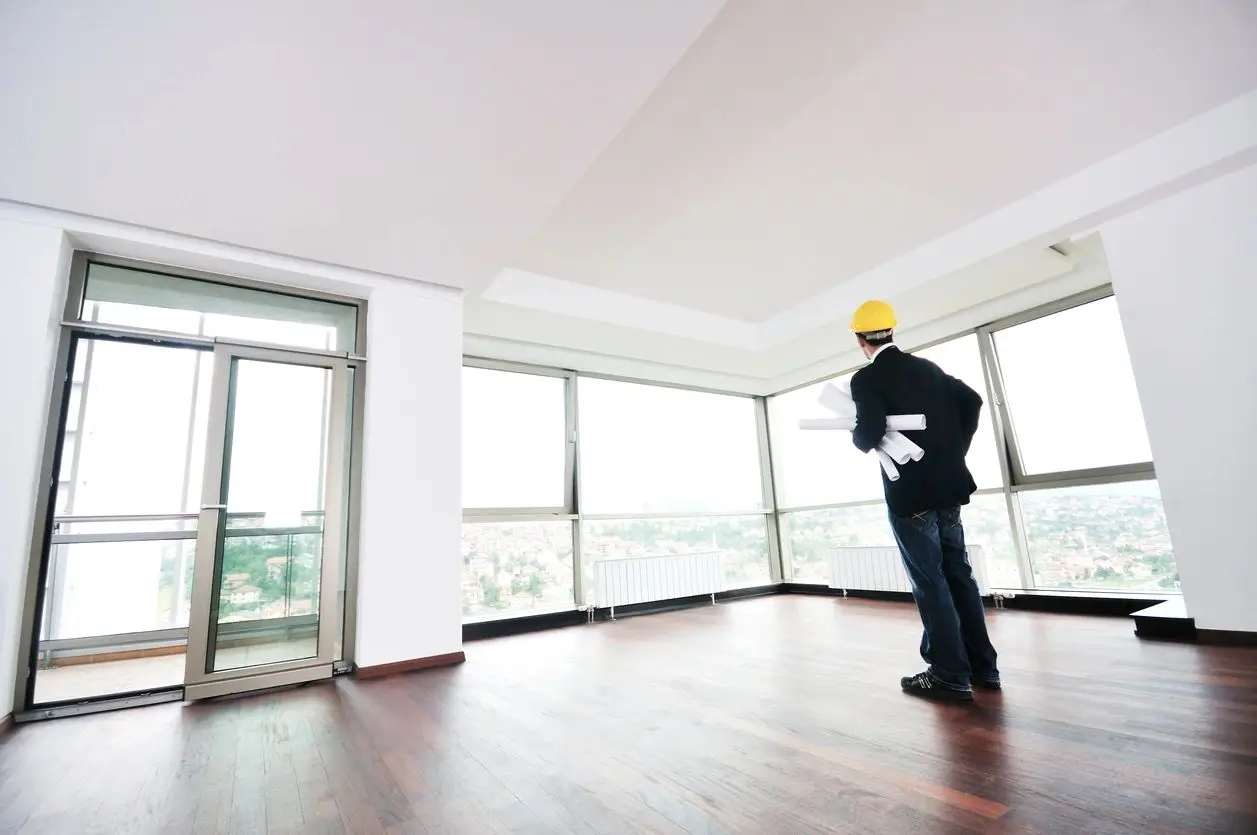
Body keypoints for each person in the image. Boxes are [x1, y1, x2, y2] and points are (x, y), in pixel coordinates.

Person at [847, 300, 1000, 702]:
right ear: (892, 332)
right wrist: (954, 452)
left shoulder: (866, 379)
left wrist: (857, 436)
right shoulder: (928, 369)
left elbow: (870, 432)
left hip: (911, 496)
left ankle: (949, 674)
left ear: (861, 340)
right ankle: (984, 668)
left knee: (930, 582)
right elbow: (972, 402)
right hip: (950, 490)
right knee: (958, 575)